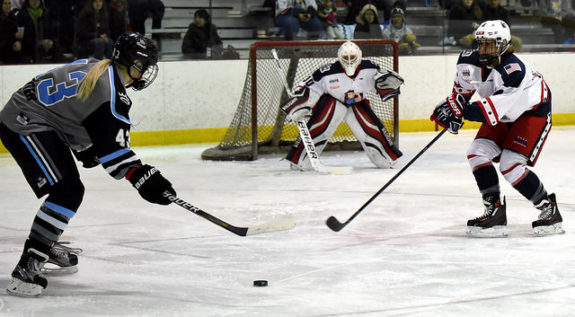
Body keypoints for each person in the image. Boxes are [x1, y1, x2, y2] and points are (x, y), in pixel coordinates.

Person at [1, 32, 177, 297]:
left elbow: (74, 112)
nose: (147, 72)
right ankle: (28, 265)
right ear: (135, 64)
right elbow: (114, 154)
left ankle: (45, 244)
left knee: (68, 188)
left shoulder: (98, 67)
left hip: (32, 115)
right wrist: (144, 178)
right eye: (146, 66)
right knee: (68, 190)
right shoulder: (111, 93)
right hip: (25, 121)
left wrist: (88, 149)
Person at [430, 20, 564, 237]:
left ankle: (549, 209)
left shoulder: (514, 71)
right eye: (481, 43)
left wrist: (459, 111)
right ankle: (495, 212)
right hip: (502, 111)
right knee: (476, 153)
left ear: (504, 45)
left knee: (510, 165)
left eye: (490, 44)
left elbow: (485, 111)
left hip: (532, 112)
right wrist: (453, 109)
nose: (484, 49)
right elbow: (460, 96)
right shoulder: (467, 63)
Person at [281, 41, 404, 170]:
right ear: (339, 57)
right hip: (332, 102)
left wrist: (385, 83)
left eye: (353, 57)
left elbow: (382, 81)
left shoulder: (370, 68)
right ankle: (300, 161)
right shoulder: (327, 71)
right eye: (346, 57)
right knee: (320, 130)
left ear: (360, 56)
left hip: (357, 103)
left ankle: (385, 159)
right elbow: (308, 86)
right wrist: (297, 103)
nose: (350, 61)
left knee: (370, 130)